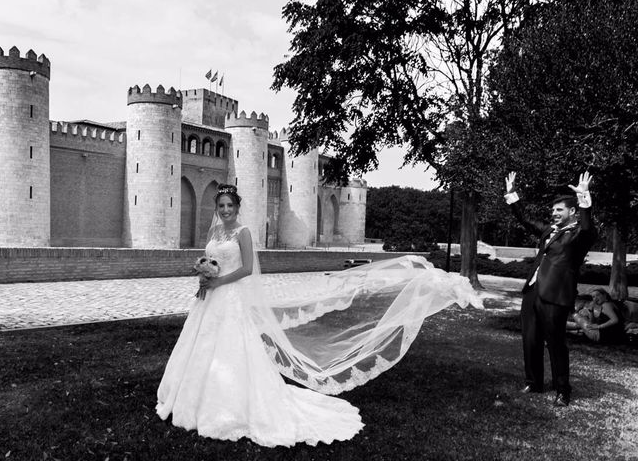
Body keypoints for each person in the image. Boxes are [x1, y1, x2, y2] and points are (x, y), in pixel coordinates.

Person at [156, 184, 483, 447]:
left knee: (233, 348)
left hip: (229, 297)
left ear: (237, 208)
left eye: (230, 206)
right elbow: (208, 259)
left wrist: (217, 281)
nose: (225, 210)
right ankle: (190, 400)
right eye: (221, 206)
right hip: (208, 300)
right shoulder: (215, 235)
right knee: (202, 347)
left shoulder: (242, 232)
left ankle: (232, 407)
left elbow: (245, 269)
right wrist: (204, 279)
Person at [504, 171, 597, 407]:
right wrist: (512, 194)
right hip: (533, 291)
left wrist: (584, 196)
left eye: (559, 210)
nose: (554, 214)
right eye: (553, 210)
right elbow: (525, 219)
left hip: (555, 294)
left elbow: (588, 228)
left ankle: (562, 390)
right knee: (531, 340)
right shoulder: (548, 231)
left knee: (555, 343)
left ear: (572, 212)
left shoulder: (580, 235)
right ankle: (533, 383)